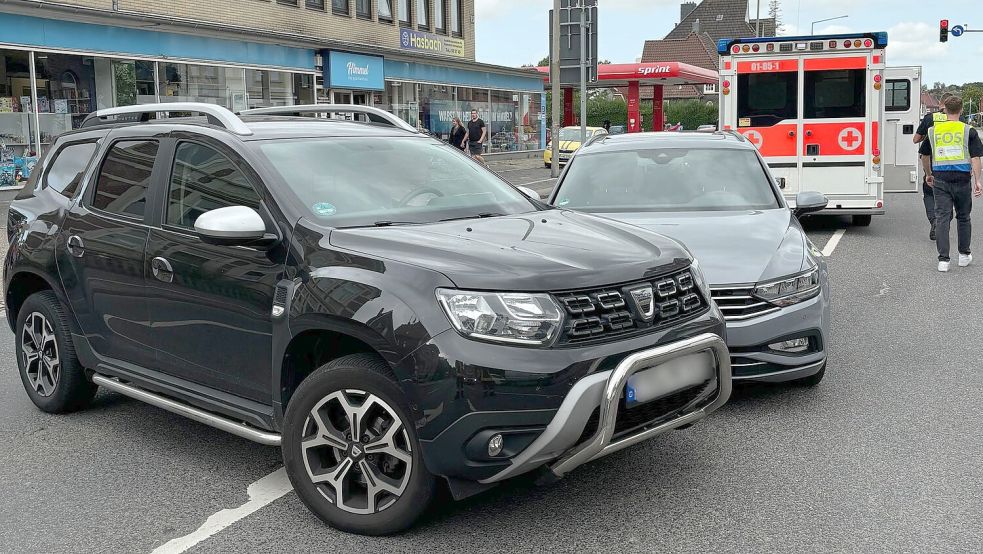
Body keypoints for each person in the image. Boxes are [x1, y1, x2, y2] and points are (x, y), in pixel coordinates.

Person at [919, 95, 983, 272]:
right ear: (961, 110)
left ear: (945, 109)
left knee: (942, 218)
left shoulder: (933, 131)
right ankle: (963, 255)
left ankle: (943, 261)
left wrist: (928, 174)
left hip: (940, 179)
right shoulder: (968, 130)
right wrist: (978, 181)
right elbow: (976, 157)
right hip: (962, 179)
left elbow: (924, 155)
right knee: (963, 217)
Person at [914, 104, 950, 240]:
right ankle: (944, 222)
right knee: (949, 194)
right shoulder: (960, 119)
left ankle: (934, 220)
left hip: (932, 160)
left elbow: (916, 139)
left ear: (942, 105)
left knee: (929, 192)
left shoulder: (930, 118)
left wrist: (927, 137)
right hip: (953, 163)